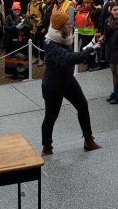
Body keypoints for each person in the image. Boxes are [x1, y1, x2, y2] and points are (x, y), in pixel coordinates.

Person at [40, 8, 102, 155]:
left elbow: (75, 54)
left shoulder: (64, 36)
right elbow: (69, 58)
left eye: (69, 23)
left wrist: (93, 43)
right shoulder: (51, 44)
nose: (70, 26)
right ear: (59, 26)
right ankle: (47, 147)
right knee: (51, 117)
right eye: (67, 24)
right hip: (53, 86)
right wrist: (89, 51)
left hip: (67, 80)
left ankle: (88, 140)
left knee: (82, 105)